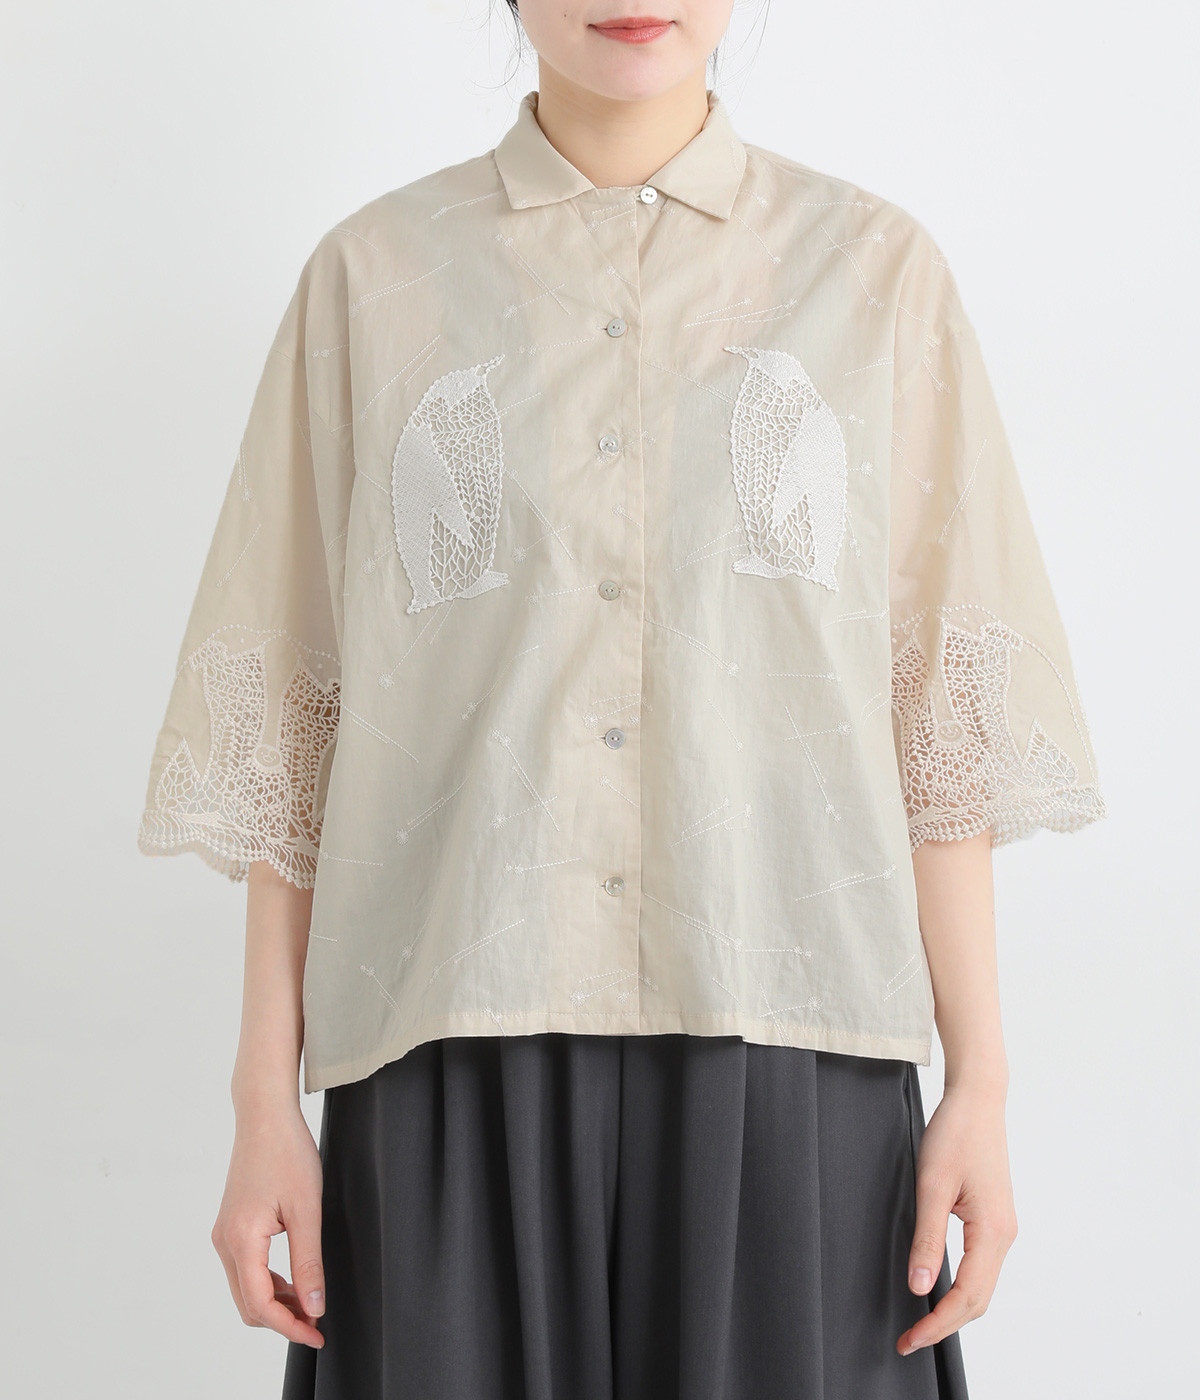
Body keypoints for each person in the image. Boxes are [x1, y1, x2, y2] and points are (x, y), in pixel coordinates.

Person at [135, 4, 1107, 1397]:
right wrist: (261, 1105)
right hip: (448, 1044)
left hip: (795, 1046)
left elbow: (941, 714)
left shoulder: (876, 274)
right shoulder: (374, 280)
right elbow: (292, 727)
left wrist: (983, 1087)